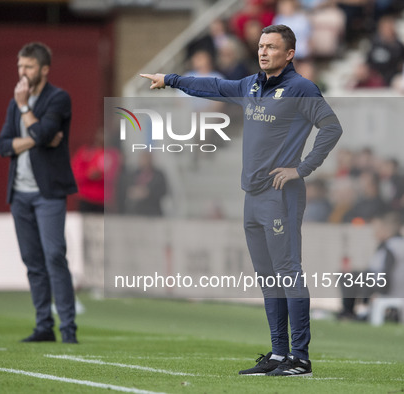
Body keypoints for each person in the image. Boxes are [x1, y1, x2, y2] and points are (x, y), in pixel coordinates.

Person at [141, 24, 342, 376]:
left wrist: (303, 168)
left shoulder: (301, 88)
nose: (263, 51)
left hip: (282, 193)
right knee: (268, 276)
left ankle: (301, 358)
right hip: (252, 195)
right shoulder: (250, 85)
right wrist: (171, 79)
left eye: (272, 47)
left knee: (288, 272)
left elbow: (331, 127)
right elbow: (214, 86)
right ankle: (279, 354)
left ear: (290, 54)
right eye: (261, 46)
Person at [0, 42, 79, 344]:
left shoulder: (58, 98)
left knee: (55, 256)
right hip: (19, 193)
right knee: (32, 261)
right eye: (20, 66)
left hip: (48, 193)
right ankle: (44, 325)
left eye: (28, 66)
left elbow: (46, 133)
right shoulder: (13, 102)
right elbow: (4, 145)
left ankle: (68, 328)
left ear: (44, 69)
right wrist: (36, 137)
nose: (22, 72)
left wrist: (25, 109)